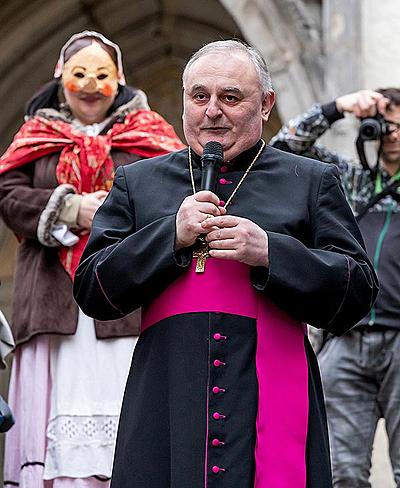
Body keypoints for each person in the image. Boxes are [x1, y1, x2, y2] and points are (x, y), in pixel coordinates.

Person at [74, 40, 378, 488]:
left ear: (266, 104)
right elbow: (92, 290)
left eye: (230, 98)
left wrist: (273, 252)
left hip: (271, 391)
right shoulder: (138, 182)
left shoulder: (310, 181)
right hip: (169, 397)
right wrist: (169, 235)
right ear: (184, 103)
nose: (212, 111)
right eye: (200, 97)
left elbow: (357, 294)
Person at [0, 30, 183, 487]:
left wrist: (117, 210)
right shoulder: (34, 133)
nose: (89, 86)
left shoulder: (150, 133)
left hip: (125, 301)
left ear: (117, 80)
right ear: (62, 78)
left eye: (101, 76)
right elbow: (7, 192)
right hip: (51, 299)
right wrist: (67, 207)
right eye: (79, 74)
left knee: (124, 413)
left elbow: (177, 193)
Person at [270, 88, 400, 487]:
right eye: (385, 124)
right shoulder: (353, 181)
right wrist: (338, 108)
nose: (392, 134)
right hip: (345, 337)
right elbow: (284, 148)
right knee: (342, 472)